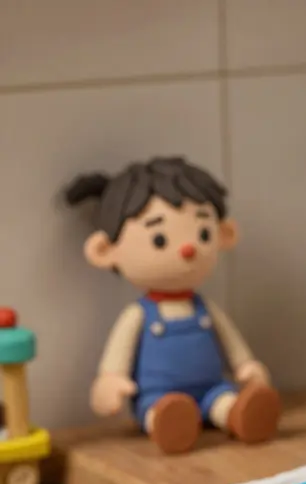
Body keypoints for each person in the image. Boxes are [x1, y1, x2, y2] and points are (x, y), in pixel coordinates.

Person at [64, 157, 281, 455]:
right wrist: (110, 380)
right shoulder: (138, 315)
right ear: (105, 251)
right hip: (157, 396)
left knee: (224, 399)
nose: (188, 249)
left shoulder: (205, 307)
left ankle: (237, 416)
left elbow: (232, 343)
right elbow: (117, 356)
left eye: (203, 233)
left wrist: (246, 365)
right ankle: (168, 425)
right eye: (159, 239)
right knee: (157, 410)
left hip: (212, 388)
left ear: (224, 234)